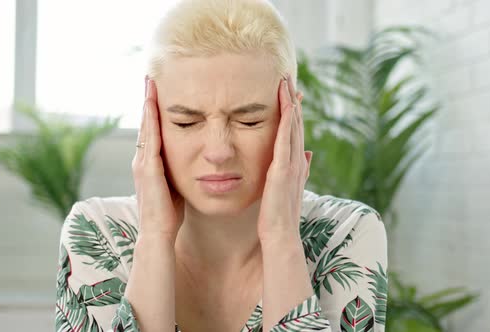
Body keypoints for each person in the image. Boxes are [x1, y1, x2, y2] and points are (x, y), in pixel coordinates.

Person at [55, 0, 388, 331]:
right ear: (151, 120)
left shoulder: (346, 233)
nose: (218, 152)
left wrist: (281, 239)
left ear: (293, 120)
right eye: (186, 122)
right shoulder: (96, 232)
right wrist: (155, 238)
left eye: (249, 120)